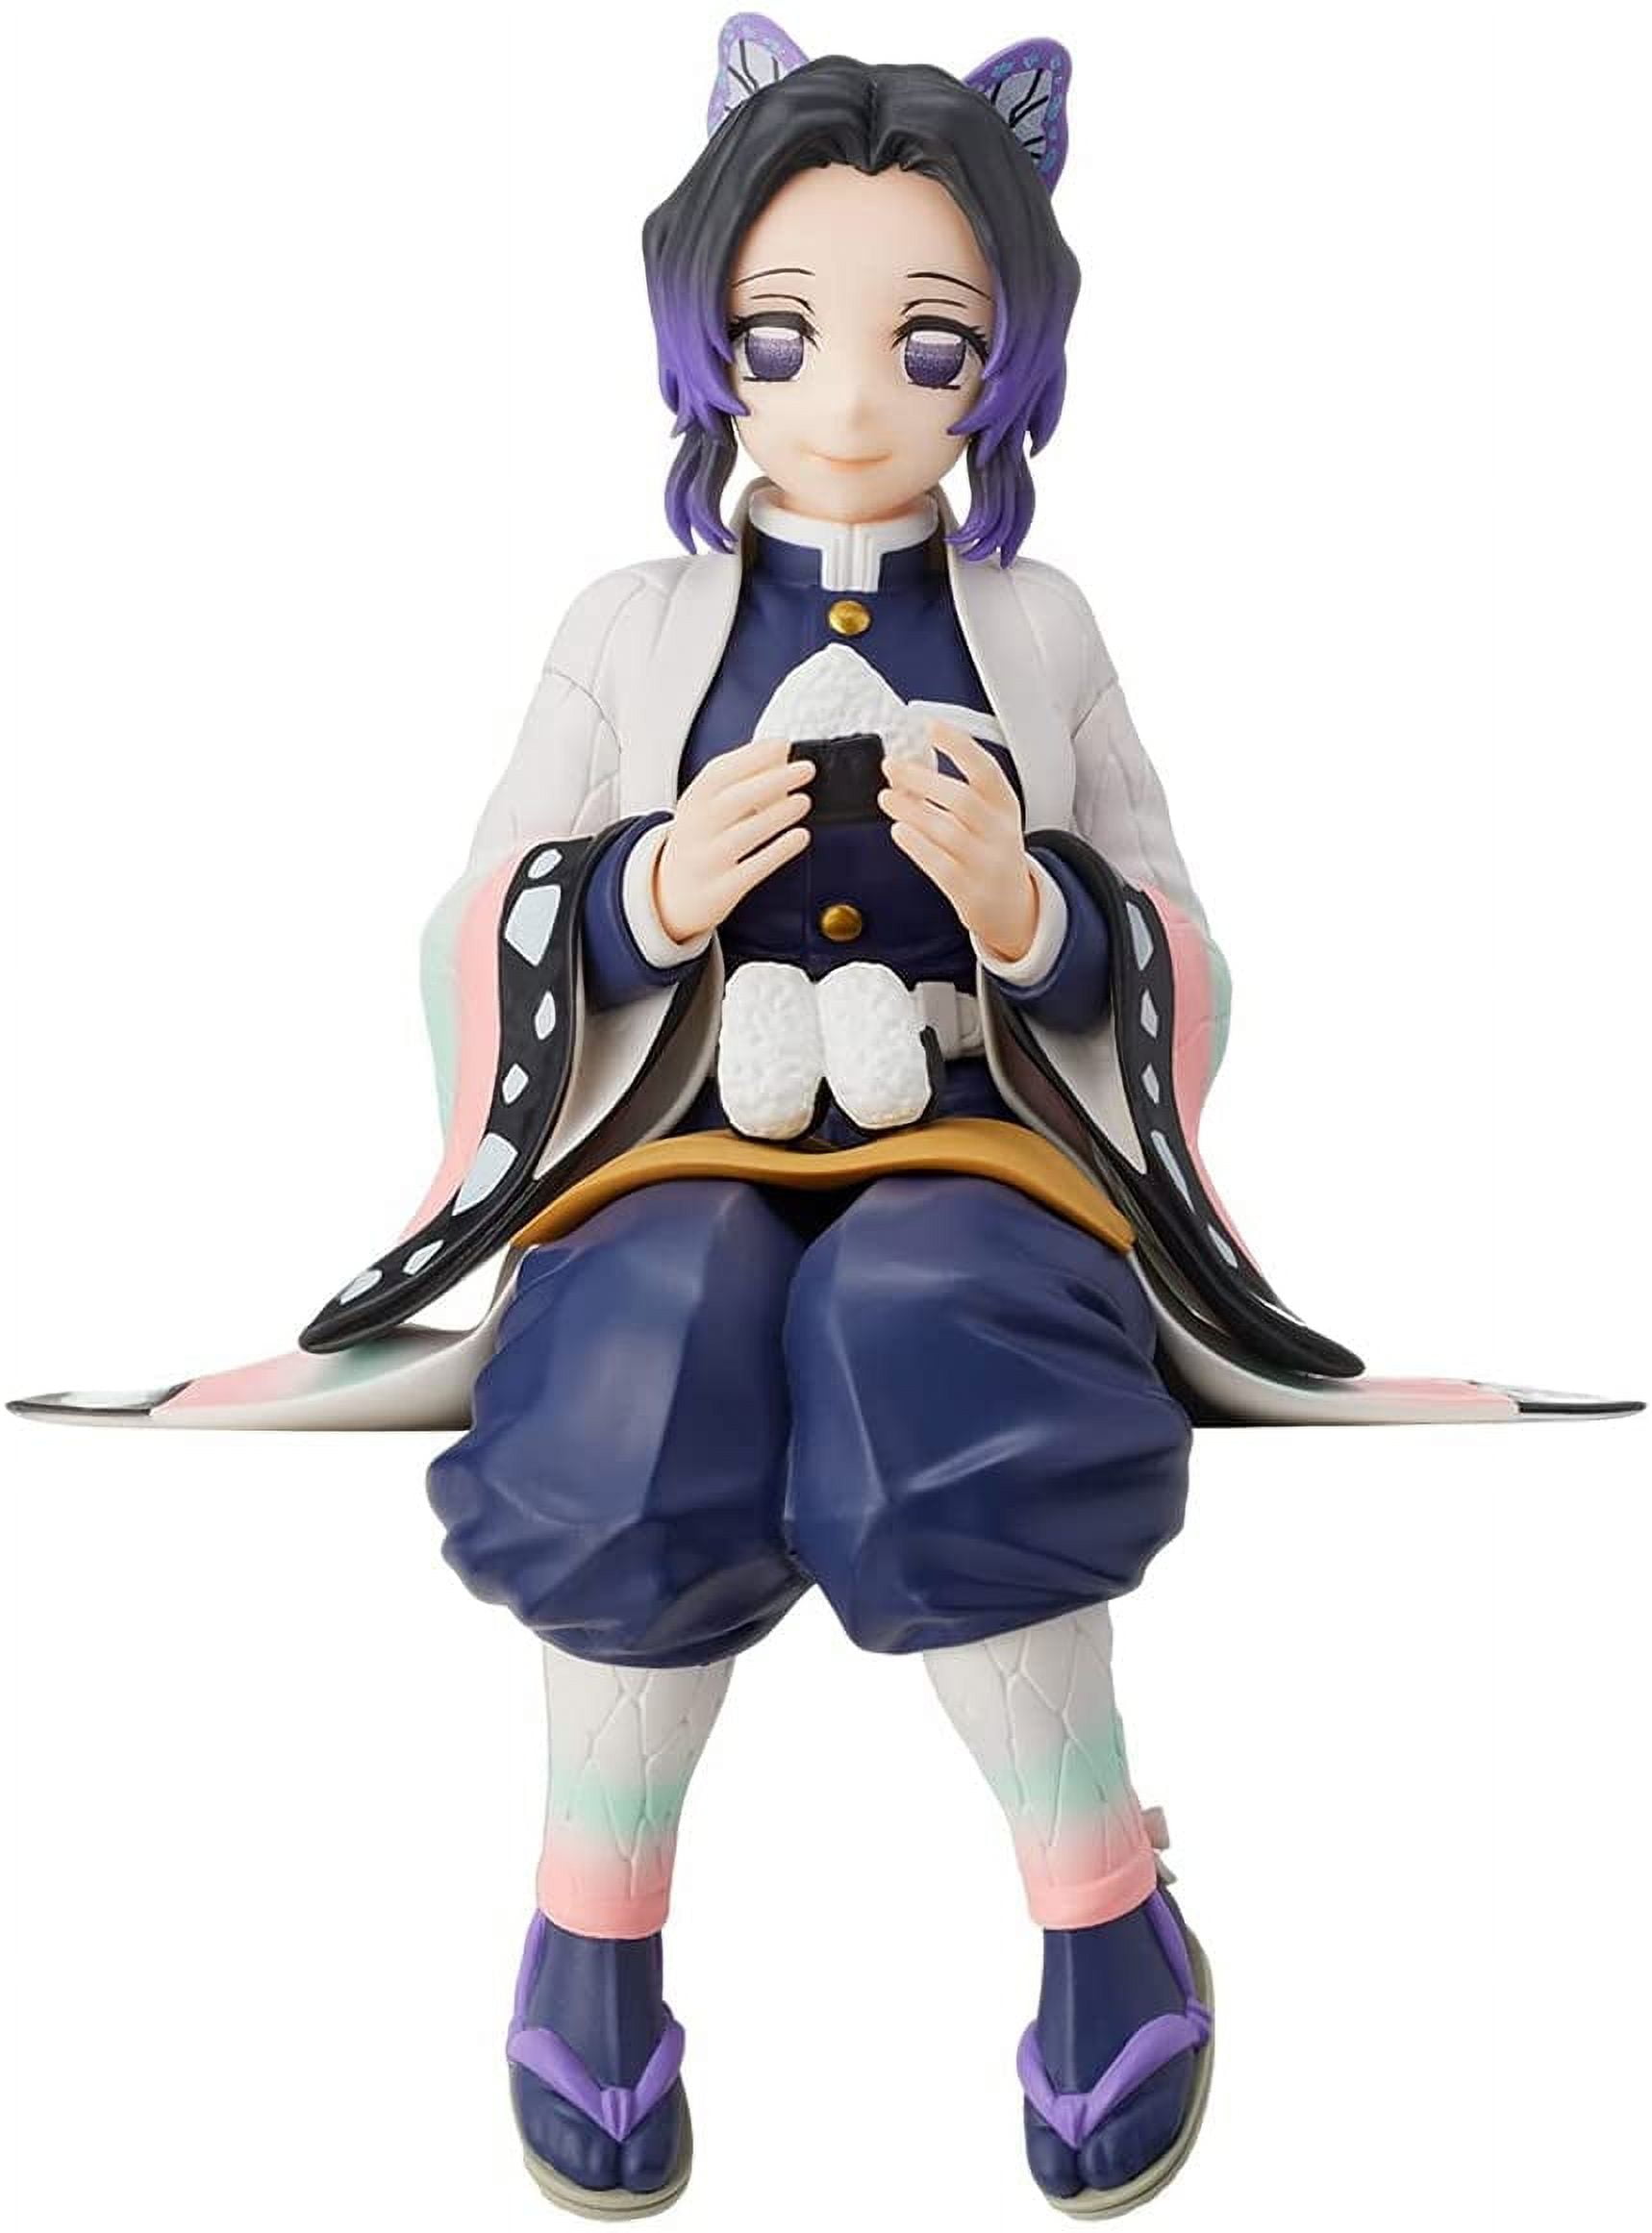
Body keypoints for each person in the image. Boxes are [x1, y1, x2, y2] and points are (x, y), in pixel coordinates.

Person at [424, 25, 1213, 2217]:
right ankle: (589, 1913)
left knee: (932, 1331)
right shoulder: (624, 629)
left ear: (1001, 368)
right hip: (679, 1126)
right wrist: (639, 892)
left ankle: (1098, 1889)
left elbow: (1173, 932)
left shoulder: (1040, 627)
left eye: (926, 345)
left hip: (974, 1137)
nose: (851, 399)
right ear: (711, 349)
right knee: (638, 1352)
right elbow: (476, 915)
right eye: (782, 338)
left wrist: (1035, 913)